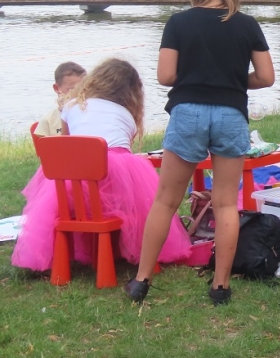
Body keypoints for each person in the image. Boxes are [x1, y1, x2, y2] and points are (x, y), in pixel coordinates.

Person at [126, 0, 275, 306]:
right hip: (230, 115)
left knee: (166, 200)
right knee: (225, 204)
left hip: (188, 112)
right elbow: (267, 77)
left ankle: (141, 280)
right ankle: (220, 286)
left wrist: (198, 77)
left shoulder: (179, 22)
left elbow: (166, 76)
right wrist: (232, 80)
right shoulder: (247, 24)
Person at [12, 59, 192, 272]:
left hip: (73, 185)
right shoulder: (126, 115)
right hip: (115, 182)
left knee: (66, 199)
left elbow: (66, 144)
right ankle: (137, 250)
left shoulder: (70, 106)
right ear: (132, 93)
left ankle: (69, 252)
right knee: (141, 203)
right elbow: (123, 148)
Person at [33, 61, 86, 137]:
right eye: (72, 90)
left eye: (83, 90)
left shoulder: (90, 113)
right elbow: (43, 144)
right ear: (57, 88)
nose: (79, 94)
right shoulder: (48, 120)